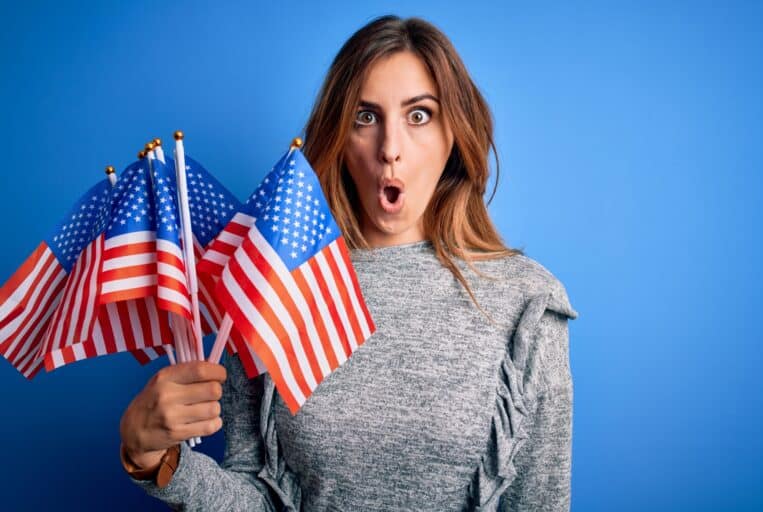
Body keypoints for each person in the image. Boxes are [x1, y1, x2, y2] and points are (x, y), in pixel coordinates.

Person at [119, 14, 578, 511]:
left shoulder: (526, 304)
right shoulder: (274, 280)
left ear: (454, 135)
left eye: (419, 115)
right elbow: (257, 495)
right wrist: (157, 461)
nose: (391, 150)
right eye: (366, 117)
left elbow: (539, 502)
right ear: (339, 138)